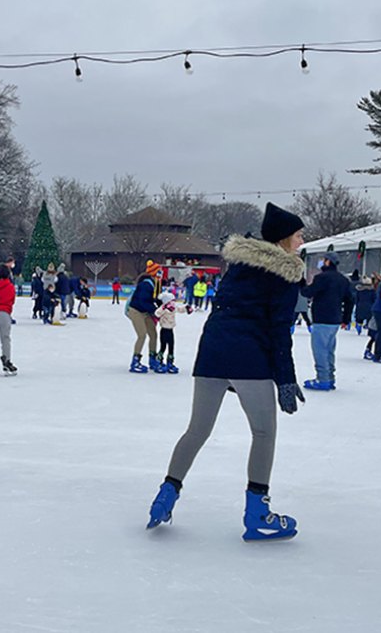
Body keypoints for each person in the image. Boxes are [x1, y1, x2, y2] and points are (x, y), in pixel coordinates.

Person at [147, 202, 306, 542]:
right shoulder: (286, 273)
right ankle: (257, 513)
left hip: (212, 354)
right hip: (250, 359)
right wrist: (286, 379)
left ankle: (166, 494)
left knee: (197, 430)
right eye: (298, 235)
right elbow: (279, 330)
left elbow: (226, 311)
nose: (302, 241)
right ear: (283, 239)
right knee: (264, 433)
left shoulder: (239, 265)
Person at [299, 252, 354, 391]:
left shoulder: (322, 278)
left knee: (320, 350)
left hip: (322, 319)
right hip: (335, 320)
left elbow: (307, 292)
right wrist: (346, 319)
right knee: (329, 350)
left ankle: (322, 379)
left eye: (322, 260)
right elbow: (350, 300)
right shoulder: (343, 280)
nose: (321, 262)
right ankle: (330, 377)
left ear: (328, 262)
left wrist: (301, 283)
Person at [126, 261, 162, 373]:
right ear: (154, 273)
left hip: (146, 311)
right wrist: (155, 311)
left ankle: (152, 358)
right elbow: (143, 301)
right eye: (159, 272)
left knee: (153, 334)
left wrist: (163, 308)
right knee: (142, 335)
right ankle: (135, 361)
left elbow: (155, 299)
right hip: (136, 311)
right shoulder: (146, 284)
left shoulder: (155, 283)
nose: (161, 274)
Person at [155, 291, 190, 373]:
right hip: (164, 330)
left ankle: (170, 363)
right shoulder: (163, 307)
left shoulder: (173, 307)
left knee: (171, 346)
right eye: (172, 300)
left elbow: (180, 309)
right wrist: (164, 307)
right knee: (163, 346)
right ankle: (158, 362)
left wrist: (186, 308)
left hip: (170, 330)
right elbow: (157, 313)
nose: (173, 302)